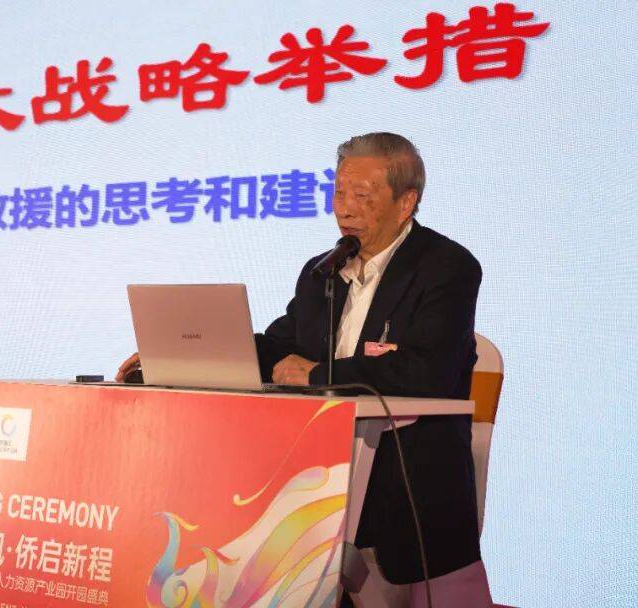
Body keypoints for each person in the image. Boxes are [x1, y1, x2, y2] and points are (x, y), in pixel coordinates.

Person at [118, 132, 489, 606]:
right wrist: (180, 355)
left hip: (406, 480)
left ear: (406, 203)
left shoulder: (447, 267)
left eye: (362, 195)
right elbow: (280, 345)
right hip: (317, 477)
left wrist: (316, 376)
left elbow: (427, 371)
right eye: (339, 192)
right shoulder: (324, 271)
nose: (344, 208)